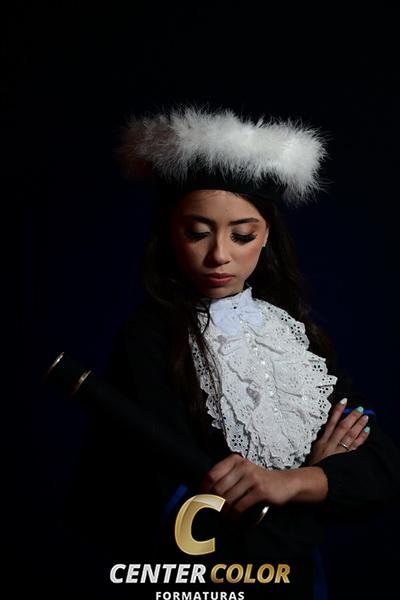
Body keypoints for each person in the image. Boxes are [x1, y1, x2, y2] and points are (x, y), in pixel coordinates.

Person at [65, 106, 400, 598]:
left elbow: (381, 469)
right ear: (170, 234)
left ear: (266, 237)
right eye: (197, 232)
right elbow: (183, 516)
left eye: (242, 235)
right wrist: (318, 481)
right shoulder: (148, 338)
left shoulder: (294, 333)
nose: (220, 254)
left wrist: (289, 483)